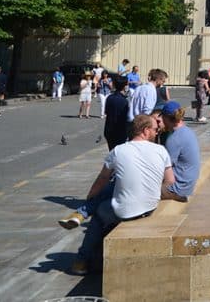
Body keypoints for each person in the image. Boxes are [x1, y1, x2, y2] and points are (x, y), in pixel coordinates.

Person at [69, 114, 178, 275]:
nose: (157, 133)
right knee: (113, 189)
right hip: (149, 206)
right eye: (155, 129)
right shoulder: (161, 150)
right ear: (145, 131)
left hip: (125, 211)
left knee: (99, 214)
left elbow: (102, 179)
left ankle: (81, 260)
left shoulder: (118, 151)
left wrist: (90, 197)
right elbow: (170, 181)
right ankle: (83, 217)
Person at [160, 101, 201, 198]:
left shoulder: (173, 139)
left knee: (142, 188)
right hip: (188, 183)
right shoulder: (188, 131)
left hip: (178, 189)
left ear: (166, 118)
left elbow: (165, 168)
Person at [103, 76, 130, 149]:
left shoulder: (109, 98)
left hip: (109, 130)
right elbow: (126, 117)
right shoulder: (124, 101)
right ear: (124, 86)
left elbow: (106, 112)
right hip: (120, 131)